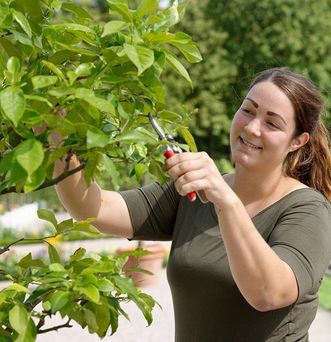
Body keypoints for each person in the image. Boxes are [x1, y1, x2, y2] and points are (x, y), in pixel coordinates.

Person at [55, 67, 331, 341]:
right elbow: (94, 209)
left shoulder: (307, 209)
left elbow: (268, 293)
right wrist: (56, 133)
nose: (251, 127)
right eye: (248, 110)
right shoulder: (194, 190)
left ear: (297, 141)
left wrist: (225, 201)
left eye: (272, 123)